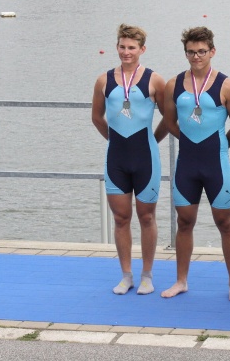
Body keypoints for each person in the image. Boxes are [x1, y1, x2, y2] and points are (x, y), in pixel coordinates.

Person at [161, 26, 230, 301]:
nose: (196, 56)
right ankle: (181, 281)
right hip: (187, 163)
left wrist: (221, 145)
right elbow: (170, 122)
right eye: (191, 52)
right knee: (184, 221)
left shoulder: (227, 86)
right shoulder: (173, 85)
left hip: (216, 164)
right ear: (185, 53)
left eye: (201, 51)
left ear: (212, 51)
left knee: (225, 222)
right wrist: (190, 142)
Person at [91, 24, 168, 296]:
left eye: (132, 47)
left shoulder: (154, 80)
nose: (126, 52)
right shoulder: (103, 80)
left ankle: (147, 275)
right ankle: (126, 275)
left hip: (146, 157)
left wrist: (152, 140)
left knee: (146, 217)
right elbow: (96, 117)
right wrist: (113, 140)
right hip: (117, 158)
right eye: (122, 47)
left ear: (142, 49)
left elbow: (169, 119)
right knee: (121, 218)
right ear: (117, 47)